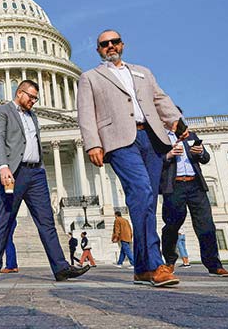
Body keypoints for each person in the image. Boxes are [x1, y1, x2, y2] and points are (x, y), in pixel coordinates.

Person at [77, 29, 185, 287]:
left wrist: (178, 124)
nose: (110, 46)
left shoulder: (143, 72)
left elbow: (160, 99)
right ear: (98, 49)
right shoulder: (90, 77)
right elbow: (86, 113)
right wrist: (93, 143)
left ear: (122, 45)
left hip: (151, 137)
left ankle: (141, 268)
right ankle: (156, 264)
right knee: (142, 192)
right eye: (105, 44)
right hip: (119, 141)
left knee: (144, 202)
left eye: (114, 42)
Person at [0, 80, 89, 283]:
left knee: (47, 222)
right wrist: (3, 166)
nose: (34, 101)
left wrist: (40, 168)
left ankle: (61, 268)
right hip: (13, 173)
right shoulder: (2, 111)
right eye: (31, 97)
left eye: (36, 98)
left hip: (36, 174)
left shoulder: (33, 116)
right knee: (5, 221)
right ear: (19, 93)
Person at [160, 122, 228, 277]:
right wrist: (169, 155)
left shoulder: (191, 136)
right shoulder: (160, 138)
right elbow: (154, 161)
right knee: (172, 226)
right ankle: (169, 262)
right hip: (174, 186)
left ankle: (214, 265)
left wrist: (200, 152)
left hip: (196, 185)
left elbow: (205, 158)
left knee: (206, 224)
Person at [0, 192, 18, 274]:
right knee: (9, 242)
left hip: (7, 221)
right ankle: (13, 265)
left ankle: (10, 266)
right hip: (11, 220)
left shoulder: (5, 198)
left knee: (7, 242)